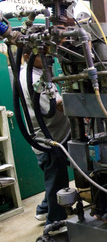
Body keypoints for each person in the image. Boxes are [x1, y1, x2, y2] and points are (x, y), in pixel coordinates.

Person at [20, 46, 71, 226]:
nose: (48, 57)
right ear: (27, 56)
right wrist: (78, 100)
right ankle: (55, 222)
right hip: (49, 138)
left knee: (53, 177)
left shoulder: (38, 72)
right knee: (57, 180)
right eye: (42, 55)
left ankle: (43, 208)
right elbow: (52, 106)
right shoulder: (31, 78)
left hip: (56, 133)